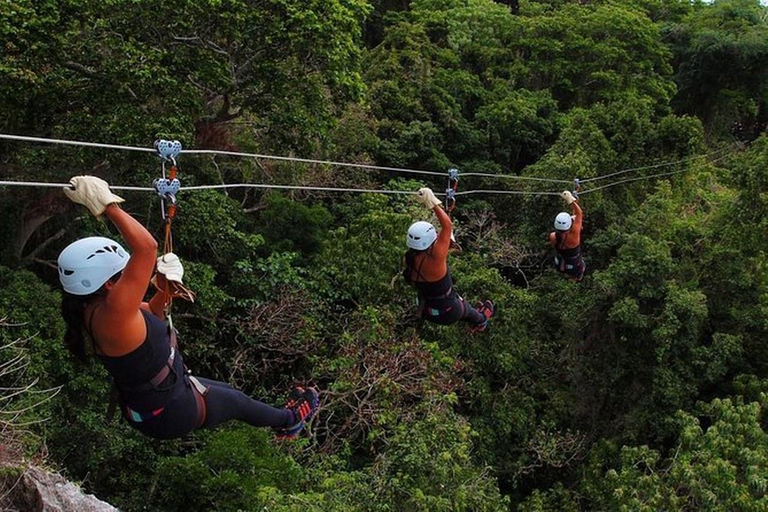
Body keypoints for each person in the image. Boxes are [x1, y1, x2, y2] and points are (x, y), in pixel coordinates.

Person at [58, 176, 318, 440]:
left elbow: (154, 316)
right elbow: (147, 248)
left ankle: (282, 421)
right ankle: (291, 420)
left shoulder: (91, 309)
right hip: (169, 411)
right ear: (109, 285)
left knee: (230, 393)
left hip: (153, 403)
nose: (131, 277)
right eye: (123, 274)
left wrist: (163, 288)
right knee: (237, 403)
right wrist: (107, 204)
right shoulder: (113, 312)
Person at [403, 187, 494, 331]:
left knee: (457, 303)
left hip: (426, 310)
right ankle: (481, 321)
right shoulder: (435, 257)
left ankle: (474, 318)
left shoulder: (408, 259)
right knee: (467, 310)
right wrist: (433, 203)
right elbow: (447, 225)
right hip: (448, 311)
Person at [549, 190, 585, 281]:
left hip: (561, 263)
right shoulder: (574, 236)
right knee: (581, 269)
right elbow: (579, 213)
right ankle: (576, 279)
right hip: (573, 265)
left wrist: (573, 201)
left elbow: (576, 215)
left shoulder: (553, 236)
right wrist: (571, 201)